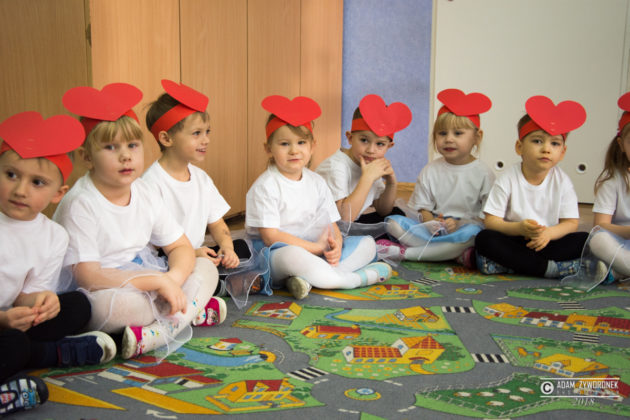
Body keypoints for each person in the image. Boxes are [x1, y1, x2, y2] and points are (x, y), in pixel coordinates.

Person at [54, 83, 217, 360]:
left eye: (132, 145)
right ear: (86, 157)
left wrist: (172, 280)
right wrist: (156, 282)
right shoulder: (81, 202)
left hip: (146, 274)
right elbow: (89, 276)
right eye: (111, 147)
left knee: (205, 268)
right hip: (102, 287)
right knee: (113, 307)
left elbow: (180, 246)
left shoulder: (144, 191)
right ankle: (185, 315)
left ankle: (159, 329)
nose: (125, 156)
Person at [0, 111, 116, 414]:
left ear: (58, 194)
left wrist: (42, 301)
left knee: (77, 305)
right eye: (10, 175)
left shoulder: (54, 236)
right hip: (4, 325)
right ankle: (49, 354)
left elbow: (26, 294)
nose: (20, 190)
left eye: (37, 182)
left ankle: (35, 352)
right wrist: (3, 320)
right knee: (13, 345)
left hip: (10, 320)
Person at [245, 95, 393, 300]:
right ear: (269, 149)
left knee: (367, 243)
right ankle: (352, 279)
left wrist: (337, 244)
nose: (294, 150)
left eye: (301, 142)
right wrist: (314, 249)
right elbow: (270, 237)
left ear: (312, 146)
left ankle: (311, 278)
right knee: (292, 256)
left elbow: (332, 222)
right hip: (276, 254)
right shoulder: (265, 186)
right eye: (285, 144)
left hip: (316, 249)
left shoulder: (316, 181)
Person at [143, 79, 245, 317]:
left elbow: (217, 223)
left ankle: (207, 290)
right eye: (197, 133)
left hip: (199, 252)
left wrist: (227, 248)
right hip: (167, 258)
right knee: (201, 267)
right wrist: (192, 253)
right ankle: (197, 300)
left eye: (207, 132)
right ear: (166, 139)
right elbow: (154, 243)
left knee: (241, 248)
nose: (206, 140)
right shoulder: (150, 183)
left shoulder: (201, 178)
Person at [475, 95, 589, 278]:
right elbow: (491, 221)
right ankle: (547, 269)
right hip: (516, 238)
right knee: (484, 239)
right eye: (537, 141)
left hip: (546, 241)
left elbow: (570, 223)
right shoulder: (508, 179)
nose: (546, 149)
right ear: (519, 147)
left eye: (554, 143)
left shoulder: (563, 181)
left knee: (585, 240)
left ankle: (513, 266)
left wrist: (549, 234)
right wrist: (519, 228)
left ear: (562, 152)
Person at [380, 89, 494, 264]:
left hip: (463, 231)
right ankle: (452, 254)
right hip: (433, 232)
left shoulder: (484, 173)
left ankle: (407, 254)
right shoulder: (430, 170)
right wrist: (432, 223)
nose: (448, 139)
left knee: (475, 234)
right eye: (442, 133)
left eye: (458, 133)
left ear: (477, 137)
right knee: (391, 223)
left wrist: (458, 224)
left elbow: (485, 217)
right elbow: (423, 209)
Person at [316, 94, 412, 223]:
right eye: (364, 140)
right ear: (350, 138)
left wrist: (391, 183)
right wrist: (367, 178)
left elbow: (383, 210)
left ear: (389, 146)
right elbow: (343, 219)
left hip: (351, 219)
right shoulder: (336, 166)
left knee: (396, 214)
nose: (371, 150)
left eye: (380, 144)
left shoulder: (371, 164)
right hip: (326, 225)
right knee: (391, 224)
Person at [588, 91, 630, 280]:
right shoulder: (613, 178)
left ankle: (618, 272)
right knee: (598, 240)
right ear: (621, 144)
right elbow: (600, 225)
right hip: (620, 241)